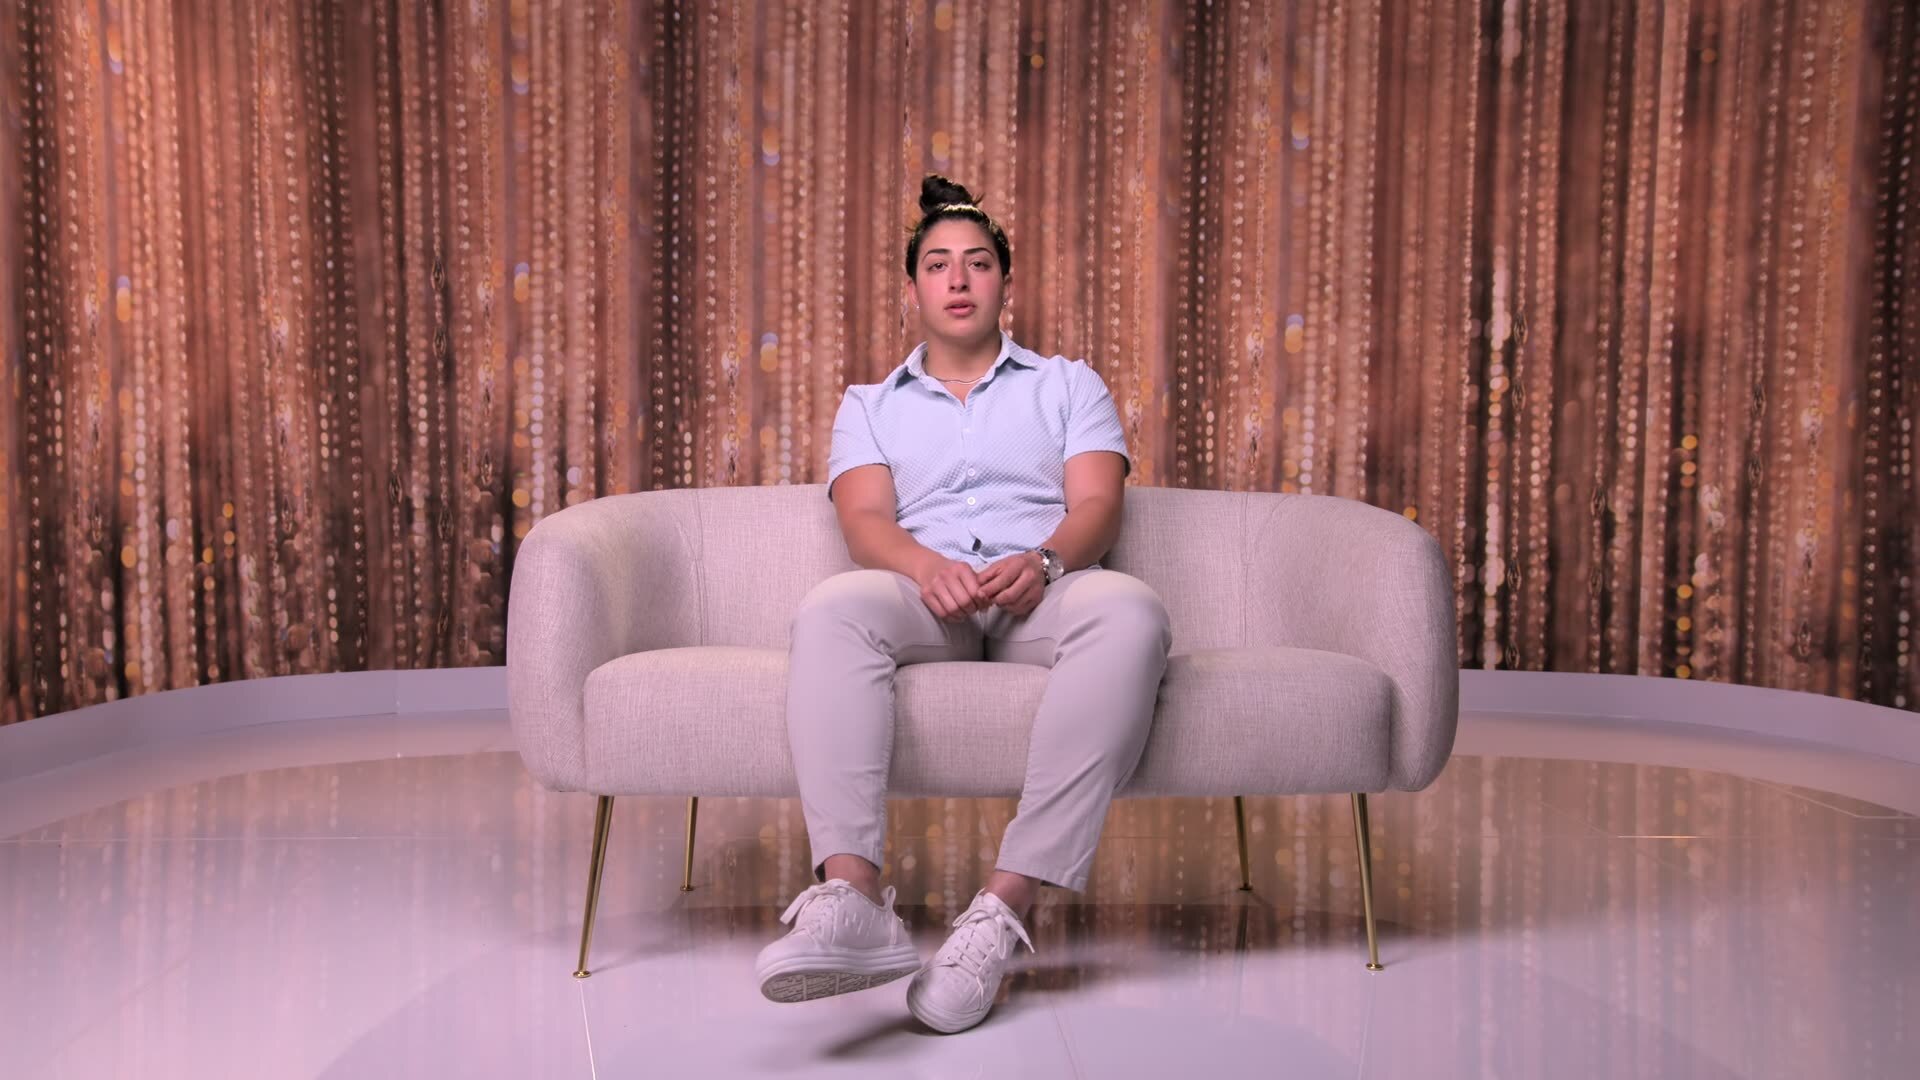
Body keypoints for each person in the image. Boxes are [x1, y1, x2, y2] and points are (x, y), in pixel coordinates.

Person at [753, 174, 1173, 1034]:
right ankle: (853, 899)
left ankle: (998, 916)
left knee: (1132, 613)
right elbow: (864, 521)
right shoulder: (868, 405)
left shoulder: (1068, 384)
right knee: (832, 610)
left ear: (1004, 283)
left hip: (1040, 596)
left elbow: (1099, 504)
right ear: (912, 288)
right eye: (938, 264)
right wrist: (926, 566)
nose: (957, 279)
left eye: (977, 263)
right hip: (928, 600)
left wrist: (1047, 562)